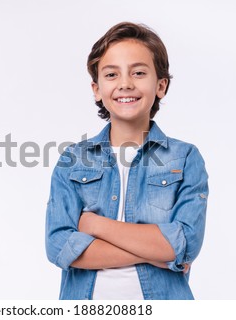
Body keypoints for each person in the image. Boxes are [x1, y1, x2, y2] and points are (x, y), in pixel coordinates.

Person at [45, 22, 209, 300]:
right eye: (112, 74)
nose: (125, 84)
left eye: (139, 72)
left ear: (161, 85)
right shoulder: (74, 160)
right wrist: (158, 253)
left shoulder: (185, 158)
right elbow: (59, 247)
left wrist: (96, 226)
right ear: (97, 89)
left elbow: (184, 244)